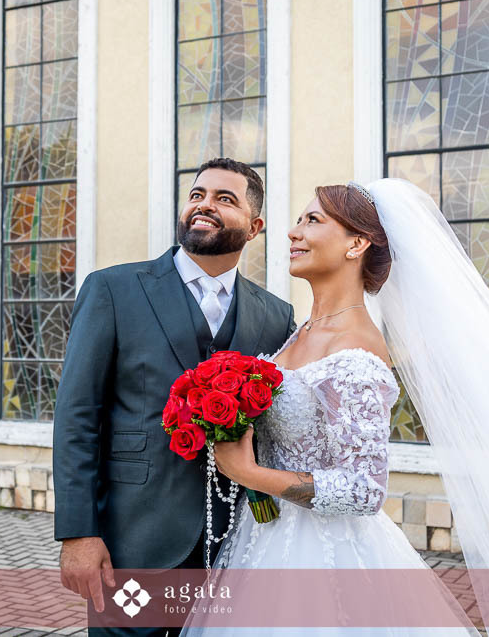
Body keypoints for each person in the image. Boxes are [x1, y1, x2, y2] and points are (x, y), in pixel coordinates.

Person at [183, 180, 489, 636]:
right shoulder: (299, 331)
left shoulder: (358, 354)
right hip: (261, 541)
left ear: (356, 244)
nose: (293, 231)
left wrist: (250, 474)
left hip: (324, 560)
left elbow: (365, 491)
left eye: (312, 219)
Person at [52, 157, 296, 637]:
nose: (205, 206)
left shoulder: (275, 315)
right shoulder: (113, 289)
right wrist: (79, 533)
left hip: (234, 543)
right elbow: (78, 417)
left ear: (255, 226)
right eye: (198, 195)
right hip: (133, 538)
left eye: (225, 199)